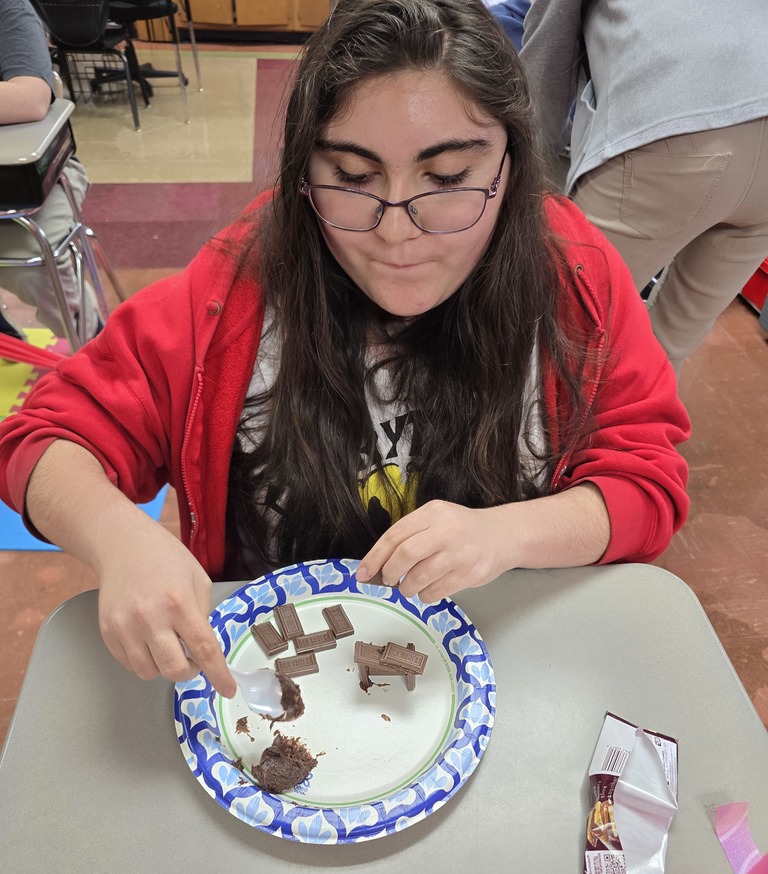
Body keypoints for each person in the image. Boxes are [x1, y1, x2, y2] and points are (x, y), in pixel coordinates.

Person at [0, 0, 690, 699]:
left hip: (515, 667)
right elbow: (44, 440)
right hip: (276, 688)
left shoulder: (574, 279)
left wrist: (510, 534)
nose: (397, 231)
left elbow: (648, 484)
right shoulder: (231, 298)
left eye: (448, 179)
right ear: (304, 174)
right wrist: (119, 538)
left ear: (510, 167)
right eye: (355, 178)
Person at [520, 0, 768, 374]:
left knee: (554, 328)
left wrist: (523, 180)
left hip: (680, 122)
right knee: (666, 349)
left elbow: (544, 64)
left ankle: (515, 431)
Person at [0, 0, 101, 342]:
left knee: (37, 271)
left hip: (29, 181)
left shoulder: (9, 9)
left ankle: (94, 347)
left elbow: (31, 98)